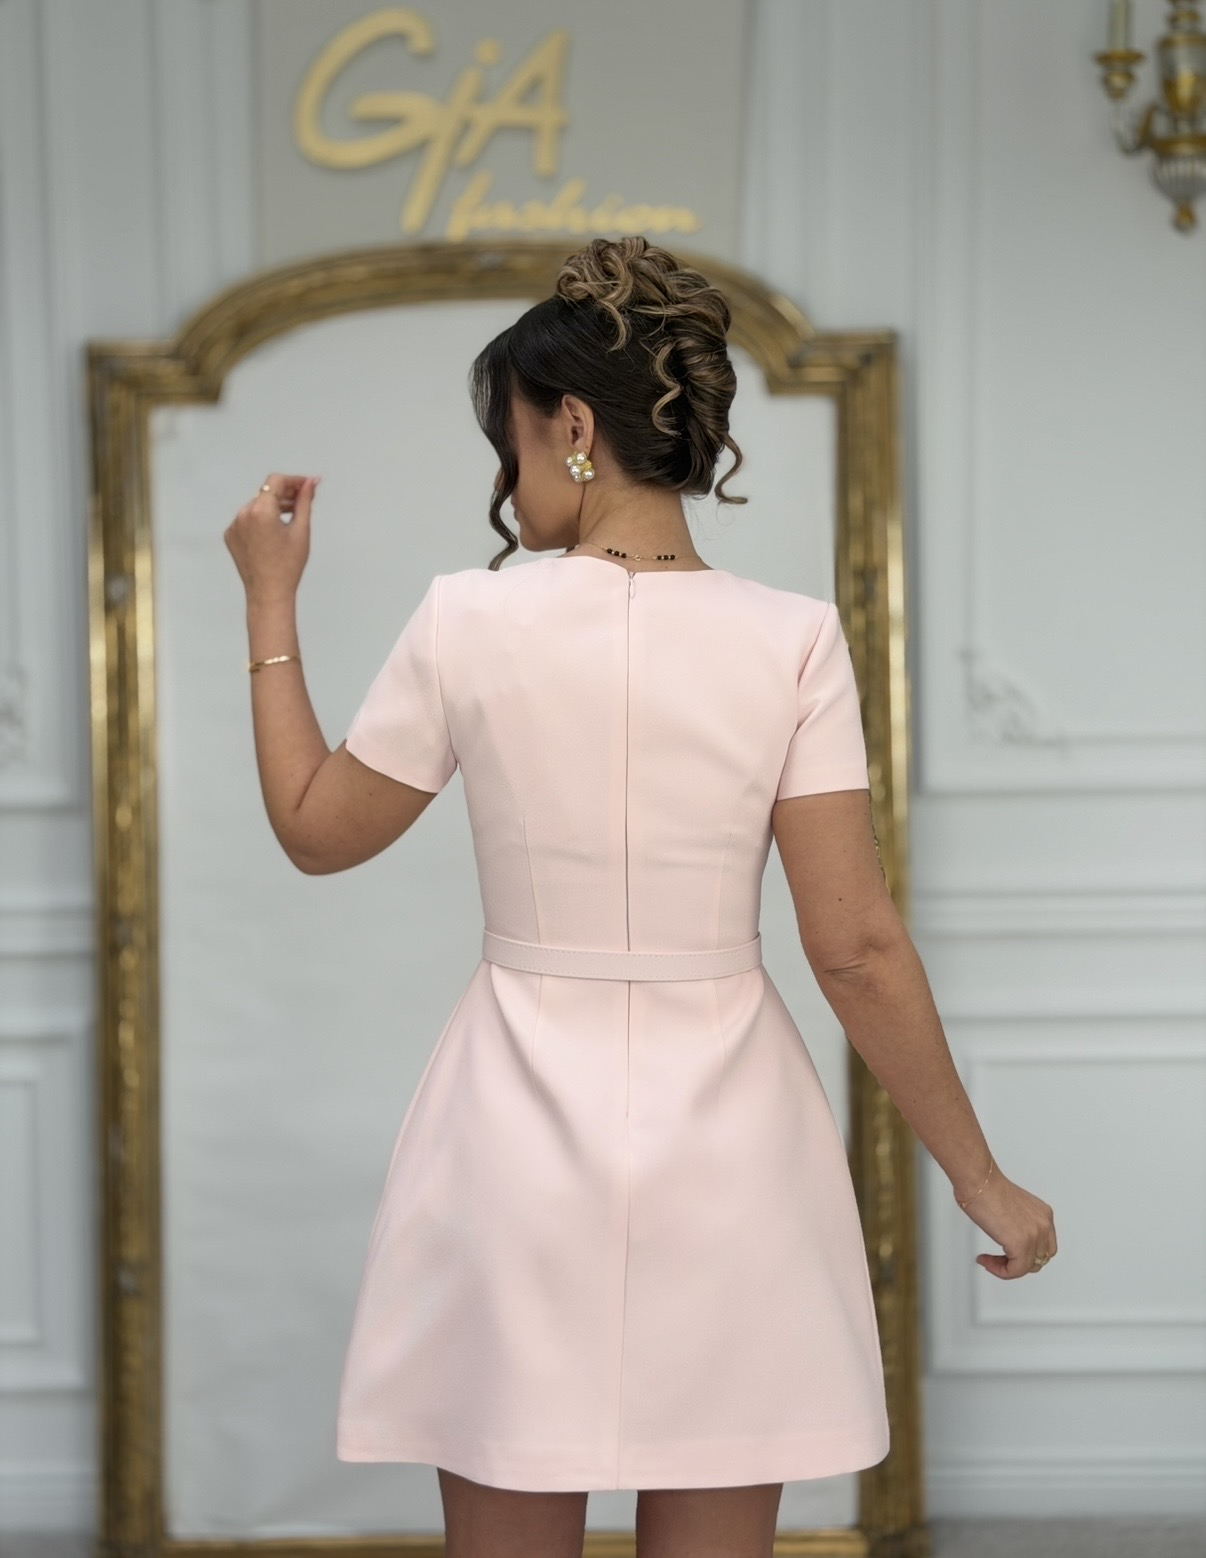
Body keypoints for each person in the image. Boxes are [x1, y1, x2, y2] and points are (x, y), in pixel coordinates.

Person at [224, 235, 1057, 1558]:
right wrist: (980, 1175)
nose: (506, 482)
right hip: (732, 1141)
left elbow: (317, 833)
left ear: (570, 429)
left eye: (508, 444)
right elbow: (852, 945)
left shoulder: (467, 619)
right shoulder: (792, 638)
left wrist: (269, 603)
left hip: (509, 1130)